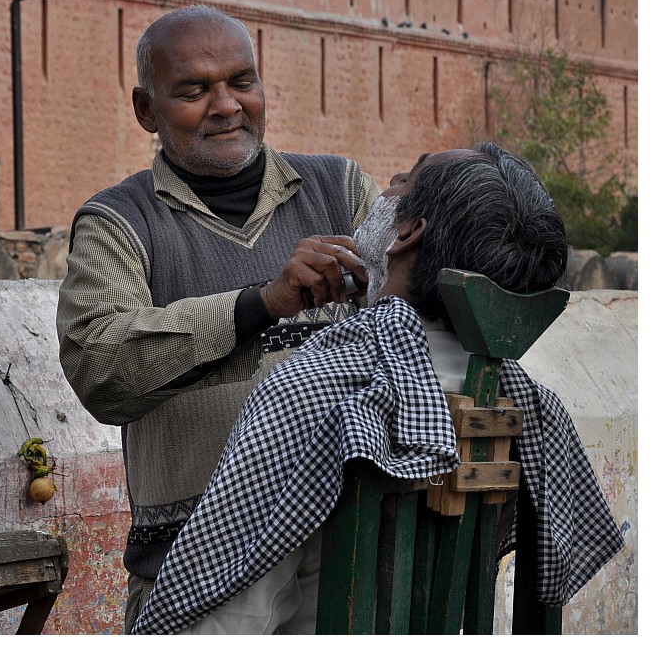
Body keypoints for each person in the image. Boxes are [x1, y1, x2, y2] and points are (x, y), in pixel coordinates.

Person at [130, 143, 625, 634]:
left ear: (406, 233)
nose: (387, 180)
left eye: (405, 178)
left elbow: (225, 624)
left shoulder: (314, 389)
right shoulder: (522, 403)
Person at [55, 4, 381, 630]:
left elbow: (408, 321)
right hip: (195, 560)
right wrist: (260, 305)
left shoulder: (340, 191)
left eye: (241, 81)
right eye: (193, 90)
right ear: (145, 109)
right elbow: (99, 365)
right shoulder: (118, 223)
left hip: (341, 548)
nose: (227, 105)